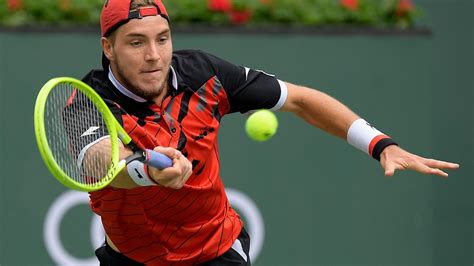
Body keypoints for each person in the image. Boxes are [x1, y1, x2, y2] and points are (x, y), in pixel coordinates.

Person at [78, 0, 459, 265]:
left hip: (216, 253)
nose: (154, 56)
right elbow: (101, 160)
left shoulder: (205, 75)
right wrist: (148, 170)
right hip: (131, 259)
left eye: (162, 39)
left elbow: (301, 100)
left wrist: (380, 145)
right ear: (108, 48)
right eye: (136, 42)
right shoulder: (86, 99)